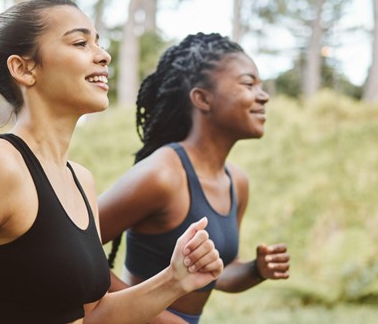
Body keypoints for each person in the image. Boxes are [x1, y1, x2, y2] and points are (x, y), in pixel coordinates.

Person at [0, 0, 224, 324]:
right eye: (80, 43)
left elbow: (92, 316)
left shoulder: (80, 179)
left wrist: (174, 280)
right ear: (24, 69)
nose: (103, 55)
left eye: (98, 42)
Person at [99, 32, 291, 324]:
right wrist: (157, 317)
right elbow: (74, 249)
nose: (263, 96)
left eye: (261, 86)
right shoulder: (162, 173)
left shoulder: (237, 182)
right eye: (248, 84)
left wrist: (256, 270)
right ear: (202, 98)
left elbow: (219, 273)